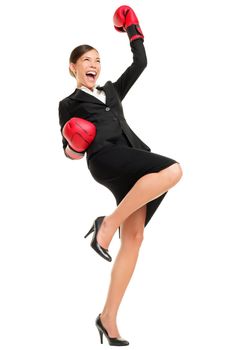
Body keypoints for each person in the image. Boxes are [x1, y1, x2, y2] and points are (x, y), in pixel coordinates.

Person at [58, 5, 183, 346]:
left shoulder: (111, 92)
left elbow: (140, 63)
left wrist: (133, 28)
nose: (94, 66)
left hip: (133, 159)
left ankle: (107, 317)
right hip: (105, 159)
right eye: (87, 61)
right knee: (173, 169)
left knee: (136, 239)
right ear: (74, 67)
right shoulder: (69, 103)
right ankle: (107, 224)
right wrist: (75, 140)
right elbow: (69, 150)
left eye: (97, 60)